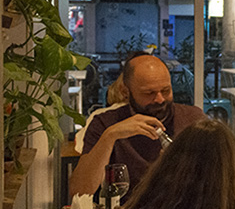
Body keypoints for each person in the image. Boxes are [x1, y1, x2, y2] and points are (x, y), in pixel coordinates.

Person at [68, 53, 206, 197]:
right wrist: (110, 136)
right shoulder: (106, 123)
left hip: (183, 208)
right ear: (125, 92)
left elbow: (215, 182)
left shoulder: (193, 119)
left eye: (166, 91)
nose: (160, 99)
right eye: (149, 93)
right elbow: (79, 191)